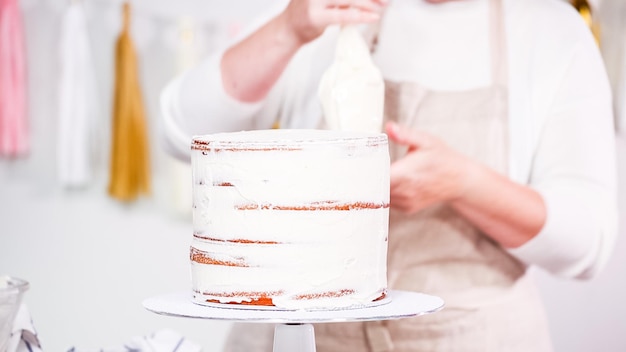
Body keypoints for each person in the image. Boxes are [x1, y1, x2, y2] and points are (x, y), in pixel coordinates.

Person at [160, 0, 619, 350]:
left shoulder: (548, 28)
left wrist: (464, 184)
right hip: (297, 337)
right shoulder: (329, 14)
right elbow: (182, 134)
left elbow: (587, 242)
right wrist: (289, 28)